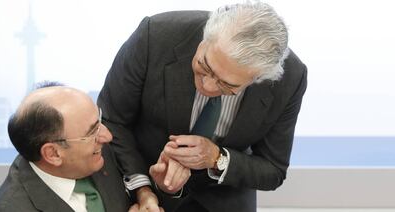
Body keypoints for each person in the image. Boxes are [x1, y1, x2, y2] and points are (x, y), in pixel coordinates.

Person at [97, 2, 307, 212]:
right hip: (141, 188)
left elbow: (273, 170)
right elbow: (111, 121)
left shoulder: (290, 78)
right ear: (205, 37)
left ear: (258, 78)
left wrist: (217, 158)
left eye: (227, 85)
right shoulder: (156, 35)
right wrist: (142, 189)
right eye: (204, 66)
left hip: (224, 200)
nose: (207, 86)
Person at [0, 82, 163, 212]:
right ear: (53, 154)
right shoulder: (12, 207)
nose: (107, 136)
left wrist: (146, 194)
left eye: (99, 120)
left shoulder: (98, 150)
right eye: (93, 131)